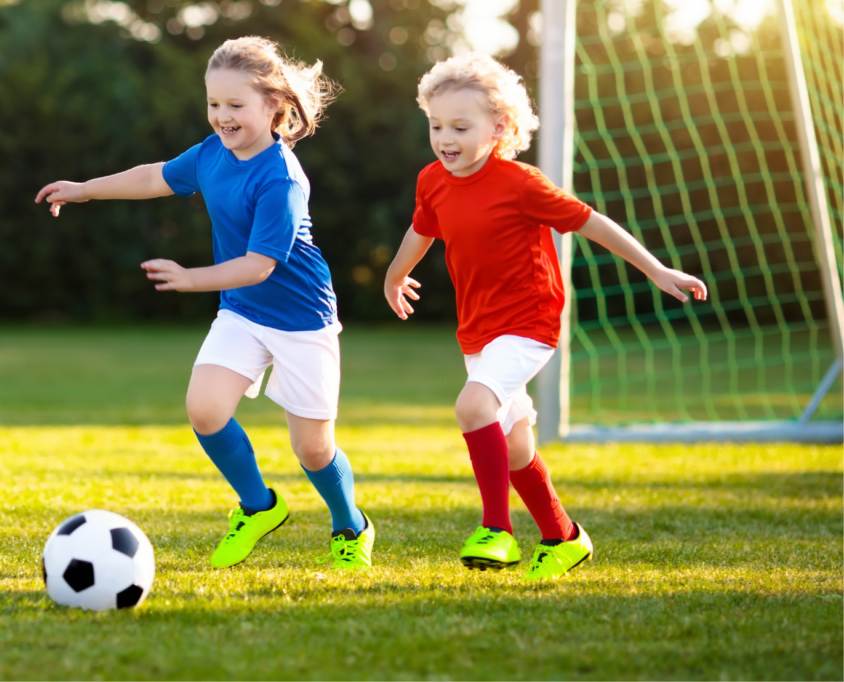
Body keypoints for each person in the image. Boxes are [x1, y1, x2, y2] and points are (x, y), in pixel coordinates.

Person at [36, 36, 374, 571]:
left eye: (235, 105)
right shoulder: (212, 154)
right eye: (214, 103)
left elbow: (261, 264)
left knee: (312, 450)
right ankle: (259, 506)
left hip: (301, 320)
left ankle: (349, 525)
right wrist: (84, 189)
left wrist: (192, 278)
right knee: (206, 409)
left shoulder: (281, 178)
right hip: (243, 312)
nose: (222, 116)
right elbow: (154, 176)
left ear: (274, 107)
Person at [382, 53, 707, 580]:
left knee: (473, 406)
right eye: (436, 125)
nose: (446, 137)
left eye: (460, 127)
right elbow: (421, 230)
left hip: (529, 323)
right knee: (513, 446)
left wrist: (656, 269)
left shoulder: (520, 183)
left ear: (500, 127)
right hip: (478, 331)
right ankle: (564, 537)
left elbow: (591, 223)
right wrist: (394, 276)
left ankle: (497, 531)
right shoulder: (433, 180)